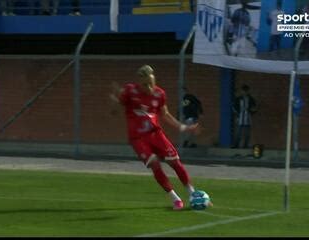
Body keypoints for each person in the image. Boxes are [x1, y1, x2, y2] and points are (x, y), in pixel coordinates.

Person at [109, 65, 210, 210]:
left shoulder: (159, 94)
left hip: (156, 134)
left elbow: (166, 115)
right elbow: (114, 111)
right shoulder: (130, 91)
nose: (149, 87)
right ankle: (175, 198)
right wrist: (115, 101)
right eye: (145, 84)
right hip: (138, 138)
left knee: (175, 162)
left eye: (151, 83)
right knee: (155, 163)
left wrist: (185, 127)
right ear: (139, 82)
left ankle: (192, 194)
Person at [232, 84, 257, 149]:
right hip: (240, 118)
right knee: (238, 133)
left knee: (247, 133)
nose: (244, 92)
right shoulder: (238, 99)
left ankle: (245, 146)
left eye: (246, 91)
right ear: (242, 91)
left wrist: (252, 111)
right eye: (243, 91)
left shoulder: (251, 99)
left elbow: (255, 108)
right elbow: (234, 108)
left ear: (248, 91)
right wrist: (237, 116)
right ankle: (236, 145)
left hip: (248, 118)